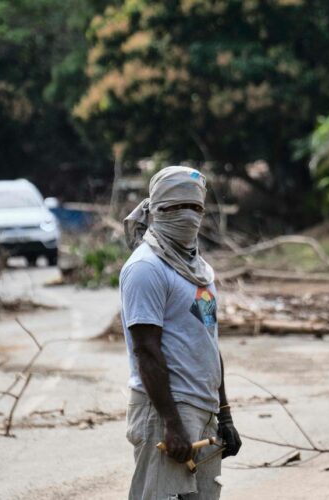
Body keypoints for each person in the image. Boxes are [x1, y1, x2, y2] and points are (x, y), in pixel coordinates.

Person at [120, 166, 241, 500]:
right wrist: (172, 424)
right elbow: (146, 351)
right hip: (165, 411)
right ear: (156, 210)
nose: (188, 216)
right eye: (176, 208)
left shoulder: (200, 271)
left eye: (196, 208)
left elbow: (208, 339)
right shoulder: (146, 268)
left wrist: (225, 413)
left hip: (203, 410)